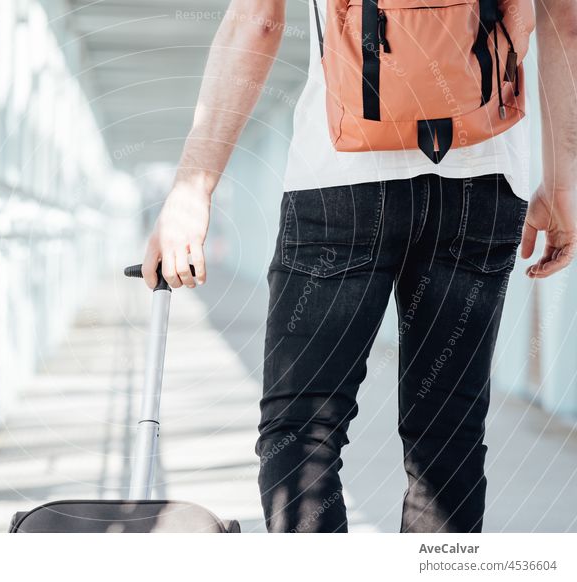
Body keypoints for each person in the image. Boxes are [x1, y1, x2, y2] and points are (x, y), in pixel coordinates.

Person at [140, 0, 577, 532]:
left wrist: (194, 188)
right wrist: (561, 184)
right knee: (448, 437)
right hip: (482, 180)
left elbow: (257, 21)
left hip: (339, 182)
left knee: (301, 434)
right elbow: (565, 21)